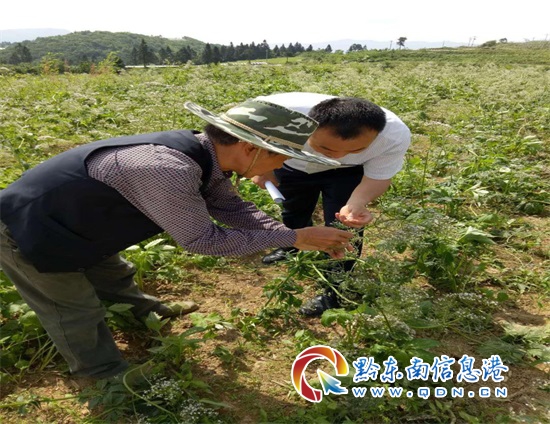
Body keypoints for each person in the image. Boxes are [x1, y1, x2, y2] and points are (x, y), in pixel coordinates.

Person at [0, 98, 354, 378]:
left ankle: (146, 311)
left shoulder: (205, 154)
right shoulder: (167, 168)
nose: (279, 168)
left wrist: (290, 236)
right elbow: (202, 240)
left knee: (112, 273)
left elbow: (229, 206)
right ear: (252, 149)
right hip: (29, 229)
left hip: (83, 224)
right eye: (282, 158)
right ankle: (103, 374)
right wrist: (292, 236)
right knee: (74, 310)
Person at [253, 92, 411, 317]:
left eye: (355, 150)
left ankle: (336, 288)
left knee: (344, 227)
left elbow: (378, 177)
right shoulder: (275, 112)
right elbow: (248, 137)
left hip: (346, 172)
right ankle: (292, 245)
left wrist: (356, 204)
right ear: (308, 127)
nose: (337, 156)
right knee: (293, 207)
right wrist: (262, 166)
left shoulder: (393, 136)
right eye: (326, 148)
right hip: (292, 163)